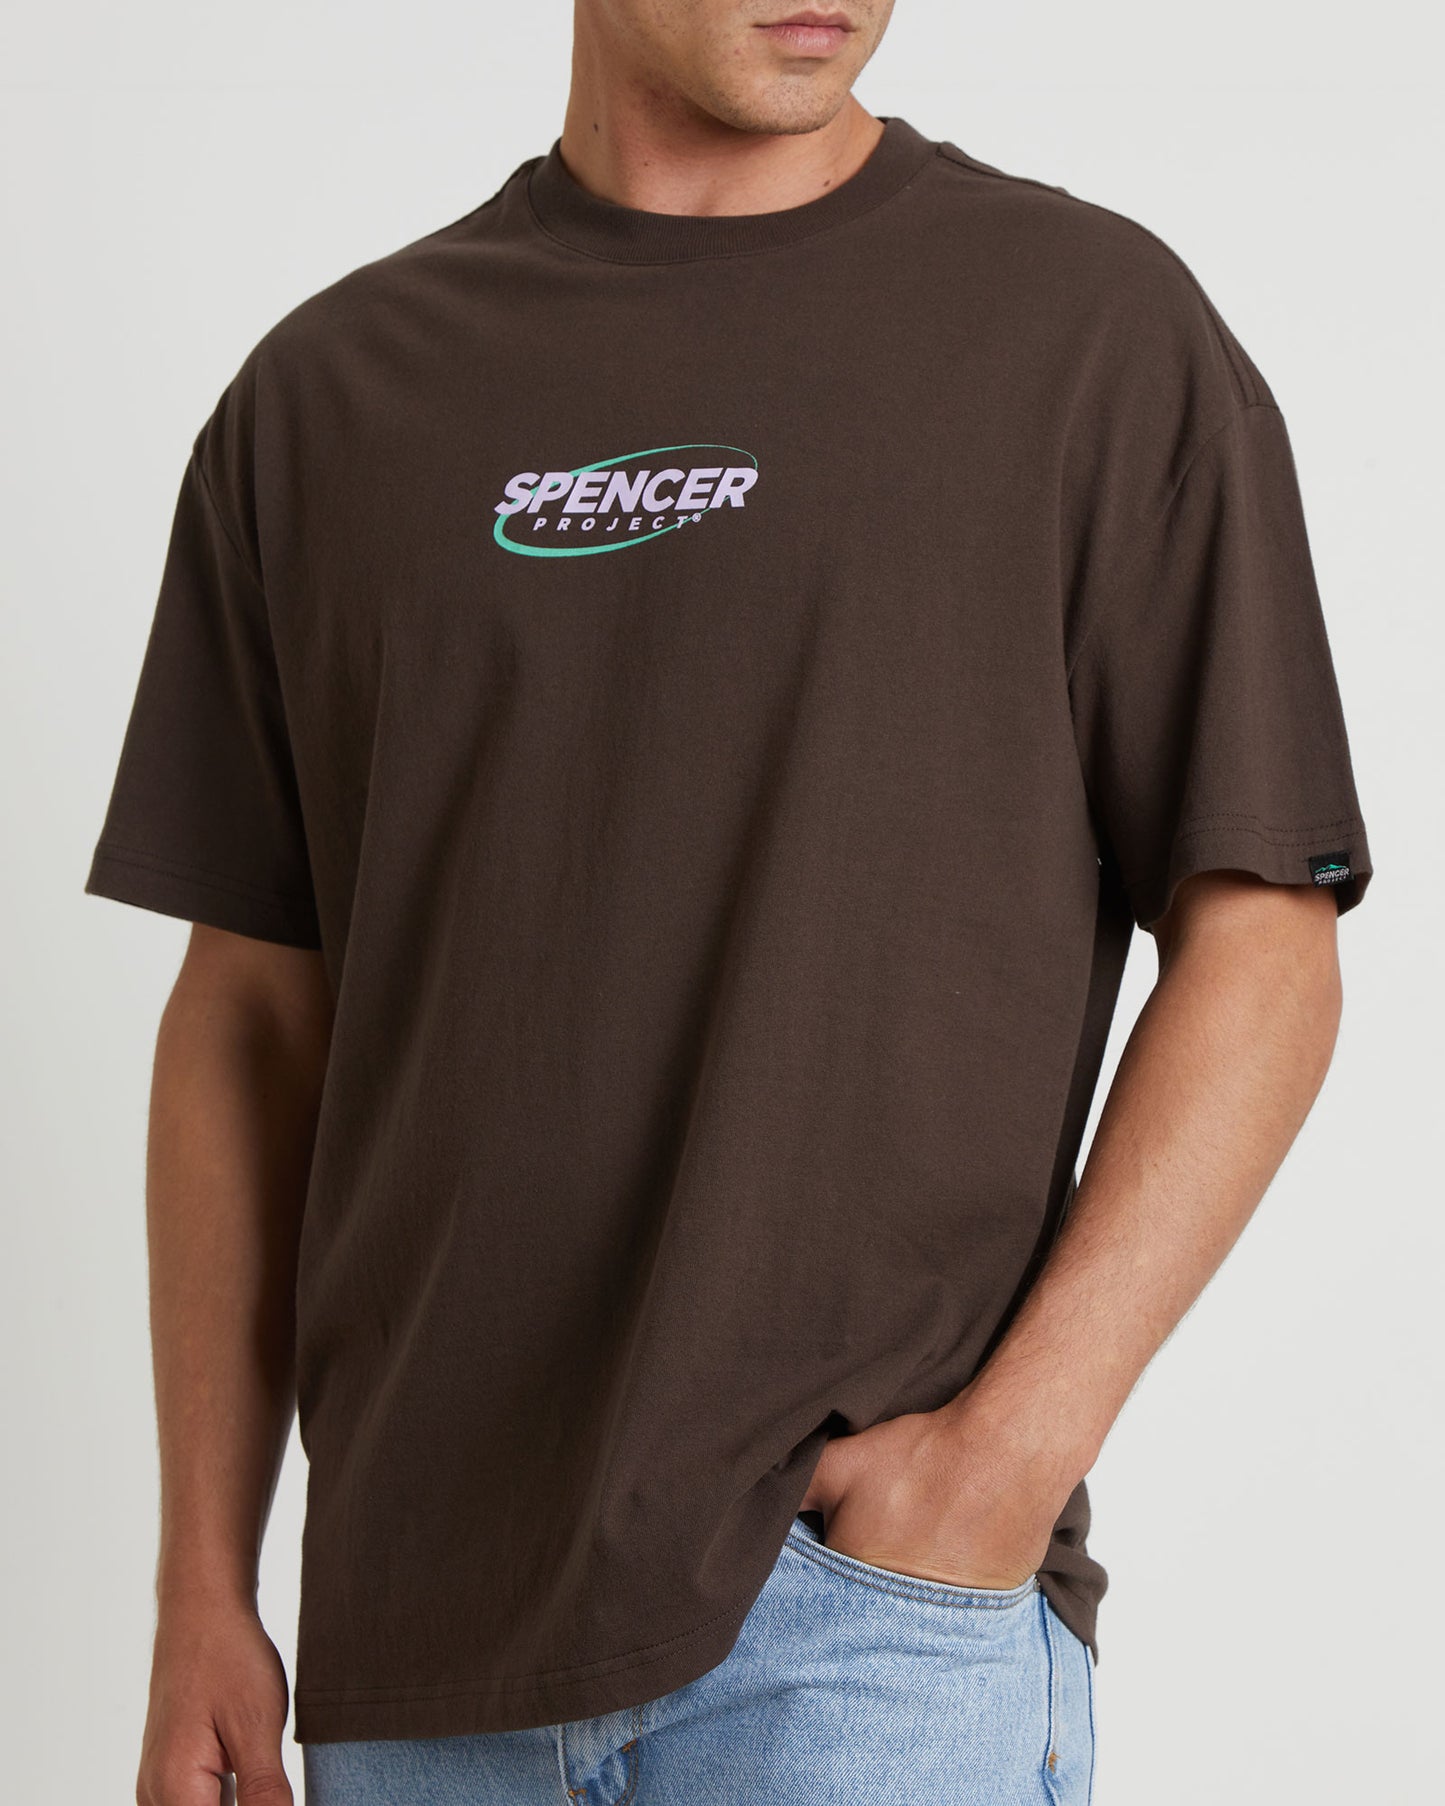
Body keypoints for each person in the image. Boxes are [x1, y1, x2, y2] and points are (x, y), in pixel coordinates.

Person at [86, 3, 1373, 1803]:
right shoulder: (325, 399)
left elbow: (1265, 939)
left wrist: (997, 1463)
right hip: (415, 1657)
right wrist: (200, 1590)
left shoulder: (1085, 333)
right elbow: (247, 1018)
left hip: (859, 1630)